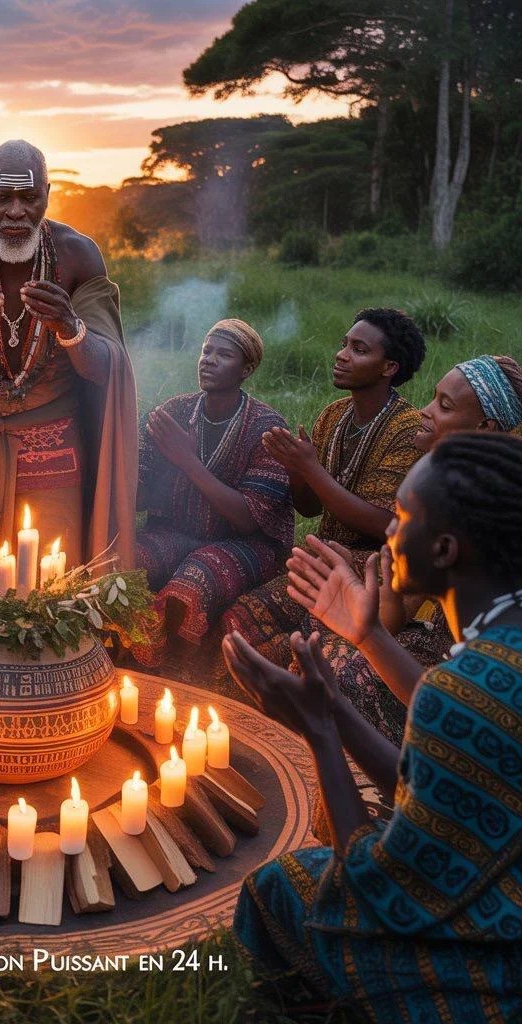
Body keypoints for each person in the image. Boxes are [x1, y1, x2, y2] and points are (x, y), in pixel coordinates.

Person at [222, 432, 522, 1022]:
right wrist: (349, 668)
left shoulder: (463, 690)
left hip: (496, 967)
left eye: (402, 516)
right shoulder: (497, 648)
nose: (388, 531)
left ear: (443, 549)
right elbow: (429, 783)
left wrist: (318, 731)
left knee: (279, 885)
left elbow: (371, 889)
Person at [0, 139, 138, 570]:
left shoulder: (77, 255)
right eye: (2, 198)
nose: (15, 211)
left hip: (55, 454)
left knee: (55, 590)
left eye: (28, 197)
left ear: (47, 195)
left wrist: (70, 329)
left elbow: (107, 368)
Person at [290, 354, 522, 747]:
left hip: (453, 659)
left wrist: (370, 628)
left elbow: (460, 706)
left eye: (444, 406)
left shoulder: (480, 506)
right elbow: (396, 611)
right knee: (319, 651)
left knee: (344, 675)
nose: (425, 411)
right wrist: (374, 599)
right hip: (443, 647)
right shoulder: (436, 477)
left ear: (485, 426)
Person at [220, 307, 426, 668]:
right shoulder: (333, 416)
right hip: (323, 560)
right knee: (239, 621)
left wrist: (310, 468)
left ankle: (289, 707)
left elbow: (381, 523)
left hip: (375, 574)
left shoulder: (406, 431)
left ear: (389, 367)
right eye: (344, 344)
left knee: (294, 651)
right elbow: (310, 509)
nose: (342, 355)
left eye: (359, 350)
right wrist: (297, 471)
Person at [132, 319, 293, 666]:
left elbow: (248, 519)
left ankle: (184, 670)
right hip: (175, 532)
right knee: (124, 561)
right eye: (206, 351)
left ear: (246, 369)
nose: (209, 360)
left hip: (246, 545)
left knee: (195, 580)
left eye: (224, 355)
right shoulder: (175, 413)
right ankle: (136, 657)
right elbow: (139, 497)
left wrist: (187, 461)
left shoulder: (266, 428)